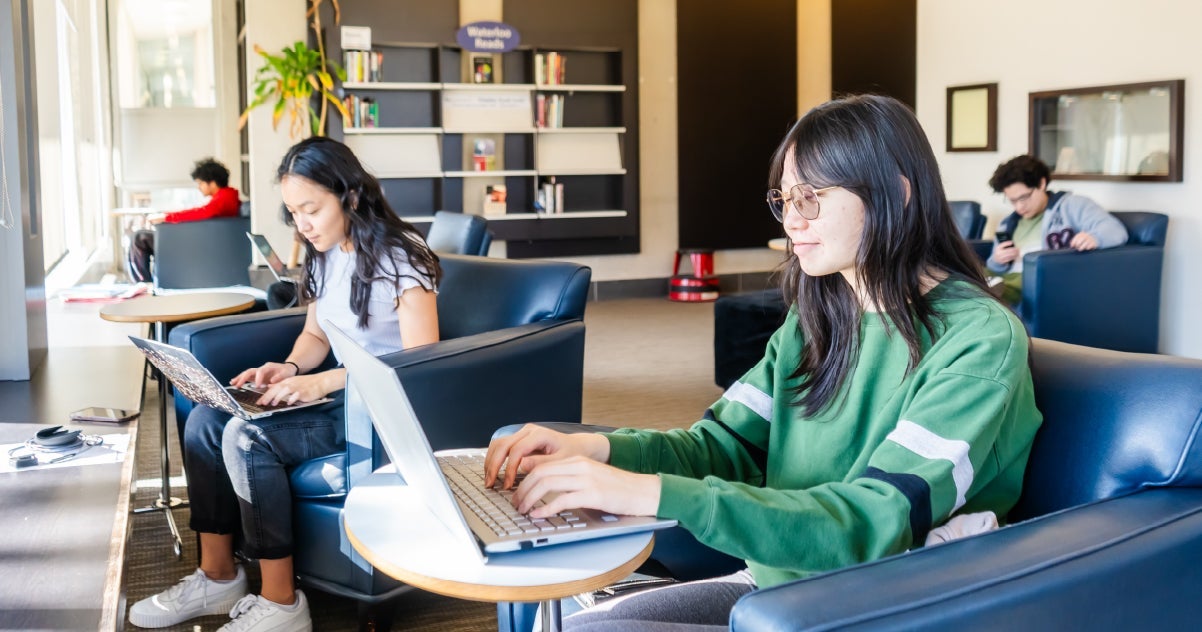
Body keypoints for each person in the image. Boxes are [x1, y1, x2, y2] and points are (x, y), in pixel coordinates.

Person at [483, 94, 1044, 631]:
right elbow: (721, 446)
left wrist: (643, 492)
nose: (791, 221)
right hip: (777, 586)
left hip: (872, 604)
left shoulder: (979, 338)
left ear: (895, 194)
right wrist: (599, 450)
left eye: (811, 198)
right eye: (784, 200)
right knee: (569, 621)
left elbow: (876, 519)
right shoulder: (818, 318)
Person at [128, 137, 442, 631]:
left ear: (351, 196)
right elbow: (316, 334)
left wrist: (325, 384)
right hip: (339, 397)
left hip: (379, 413)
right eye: (293, 212)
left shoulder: (404, 256)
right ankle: (218, 575)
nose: (302, 225)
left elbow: (419, 363)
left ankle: (281, 603)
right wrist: (291, 368)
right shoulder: (323, 253)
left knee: (247, 438)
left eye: (311, 209)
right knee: (207, 422)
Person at [985, 155, 1128, 306]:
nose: (1019, 207)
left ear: (1041, 183)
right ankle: (989, 289)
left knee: (1028, 275)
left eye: (1024, 197)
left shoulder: (1073, 206)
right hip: (1007, 277)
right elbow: (994, 267)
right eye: (1013, 201)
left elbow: (1116, 231)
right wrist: (997, 260)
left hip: (1045, 279)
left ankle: (991, 292)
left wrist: (1095, 238)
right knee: (971, 269)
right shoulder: (1007, 224)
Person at [126, 158, 243, 283]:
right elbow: (201, 211)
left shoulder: (225, 198)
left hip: (196, 245)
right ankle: (145, 282)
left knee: (140, 237)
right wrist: (166, 215)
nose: (199, 188)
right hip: (198, 241)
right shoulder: (225, 196)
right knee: (142, 237)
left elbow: (202, 212)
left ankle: (143, 283)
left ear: (212, 183)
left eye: (200, 183)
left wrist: (166, 217)